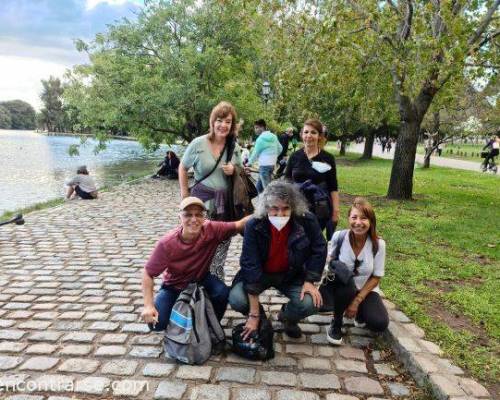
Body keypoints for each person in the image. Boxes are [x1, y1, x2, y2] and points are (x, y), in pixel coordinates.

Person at [228, 181, 327, 339]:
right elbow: (249, 263)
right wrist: (253, 314)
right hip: (261, 274)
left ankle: (287, 317)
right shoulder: (254, 224)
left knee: (310, 303)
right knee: (237, 299)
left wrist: (310, 280)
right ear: (266, 207)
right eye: (274, 208)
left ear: (293, 207)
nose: (280, 214)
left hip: (291, 274)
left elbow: (319, 248)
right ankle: (260, 318)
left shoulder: (306, 220)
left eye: (285, 208)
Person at [141, 196, 251, 331]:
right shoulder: (167, 243)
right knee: (156, 324)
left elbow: (239, 224)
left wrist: (267, 211)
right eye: (188, 215)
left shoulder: (212, 229)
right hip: (174, 285)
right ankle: (180, 312)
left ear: (204, 217)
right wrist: (148, 305)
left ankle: (211, 325)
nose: (194, 219)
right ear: (179, 217)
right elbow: (148, 273)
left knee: (222, 292)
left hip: (201, 279)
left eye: (198, 215)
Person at [179, 101, 243, 280]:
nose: (223, 125)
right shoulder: (198, 144)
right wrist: (185, 196)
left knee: (221, 244)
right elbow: (183, 168)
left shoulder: (234, 147)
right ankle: (192, 281)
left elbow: (242, 174)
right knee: (197, 243)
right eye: (220, 120)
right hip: (201, 202)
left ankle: (216, 281)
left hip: (226, 205)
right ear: (213, 122)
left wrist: (234, 170)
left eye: (228, 122)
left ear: (232, 125)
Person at [326, 197, 389, 345]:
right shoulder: (339, 237)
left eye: (364, 218)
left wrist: (357, 301)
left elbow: (376, 277)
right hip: (341, 287)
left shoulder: (379, 245)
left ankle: (359, 311)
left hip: (364, 289)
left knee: (379, 323)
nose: (358, 222)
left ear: (371, 221)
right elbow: (329, 262)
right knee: (345, 283)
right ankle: (336, 321)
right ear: (349, 219)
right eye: (354, 217)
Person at [285, 118, 340, 240]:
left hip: (319, 207)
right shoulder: (294, 157)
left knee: (314, 239)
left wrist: (336, 211)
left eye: (313, 132)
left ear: (319, 136)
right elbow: (286, 182)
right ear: (301, 135)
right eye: (306, 132)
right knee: (297, 238)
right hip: (297, 205)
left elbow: (333, 186)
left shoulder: (328, 158)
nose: (309, 136)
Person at [246, 119, 282, 193]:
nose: (255, 130)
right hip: (272, 165)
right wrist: (274, 156)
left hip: (264, 166)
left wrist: (248, 163)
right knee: (258, 188)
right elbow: (280, 148)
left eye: (256, 128)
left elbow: (255, 153)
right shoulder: (274, 136)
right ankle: (261, 203)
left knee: (267, 191)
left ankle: (268, 204)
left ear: (262, 128)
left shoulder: (260, 139)